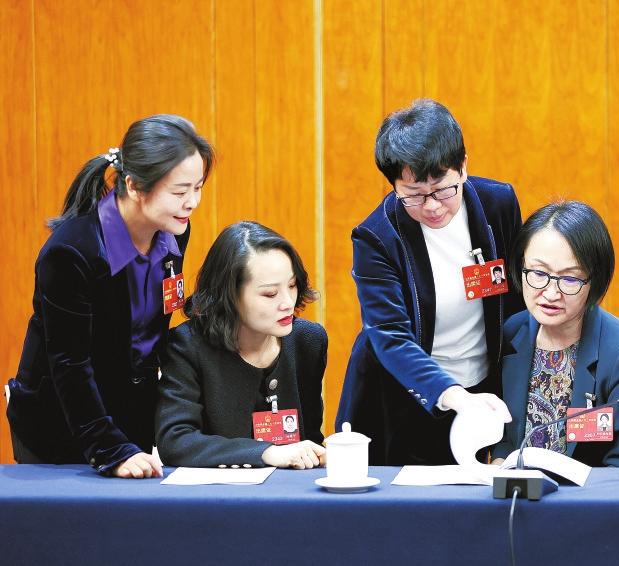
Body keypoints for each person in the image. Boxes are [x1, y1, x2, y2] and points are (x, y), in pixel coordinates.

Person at [7, 115, 213, 478]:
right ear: (133, 186)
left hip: (127, 416)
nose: (192, 202)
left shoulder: (173, 231)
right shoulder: (71, 252)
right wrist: (110, 448)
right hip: (63, 424)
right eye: (180, 192)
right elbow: (69, 364)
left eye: (197, 187)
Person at [336, 99, 525, 465]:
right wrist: (455, 397)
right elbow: (390, 336)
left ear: (463, 167)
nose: (433, 206)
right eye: (414, 195)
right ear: (394, 186)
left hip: (482, 392)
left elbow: (516, 301)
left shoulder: (498, 205)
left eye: (442, 188)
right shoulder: (376, 237)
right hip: (401, 395)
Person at [491, 201, 619, 467]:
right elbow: (504, 436)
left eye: (569, 279)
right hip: (516, 489)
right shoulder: (511, 334)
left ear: (595, 280)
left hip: (593, 492)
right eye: (538, 273)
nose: (550, 293)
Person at [156, 222, 326, 469]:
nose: (288, 302)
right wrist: (265, 453)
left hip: (291, 487)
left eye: (292, 286)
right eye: (270, 294)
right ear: (230, 294)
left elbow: (310, 436)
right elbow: (175, 441)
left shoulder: (308, 340)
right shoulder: (187, 345)